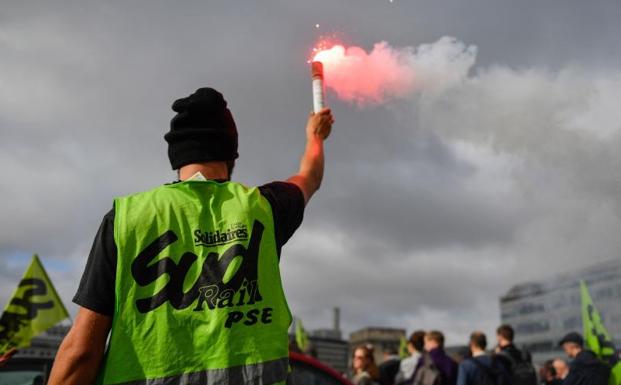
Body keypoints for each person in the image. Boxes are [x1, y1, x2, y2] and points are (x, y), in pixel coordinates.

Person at [47, 87, 334, 385]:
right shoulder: (266, 209)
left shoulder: (126, 220)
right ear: (231, 152)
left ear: (176, 156)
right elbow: (310, 176)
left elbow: (81, 352)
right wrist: (315, 136)